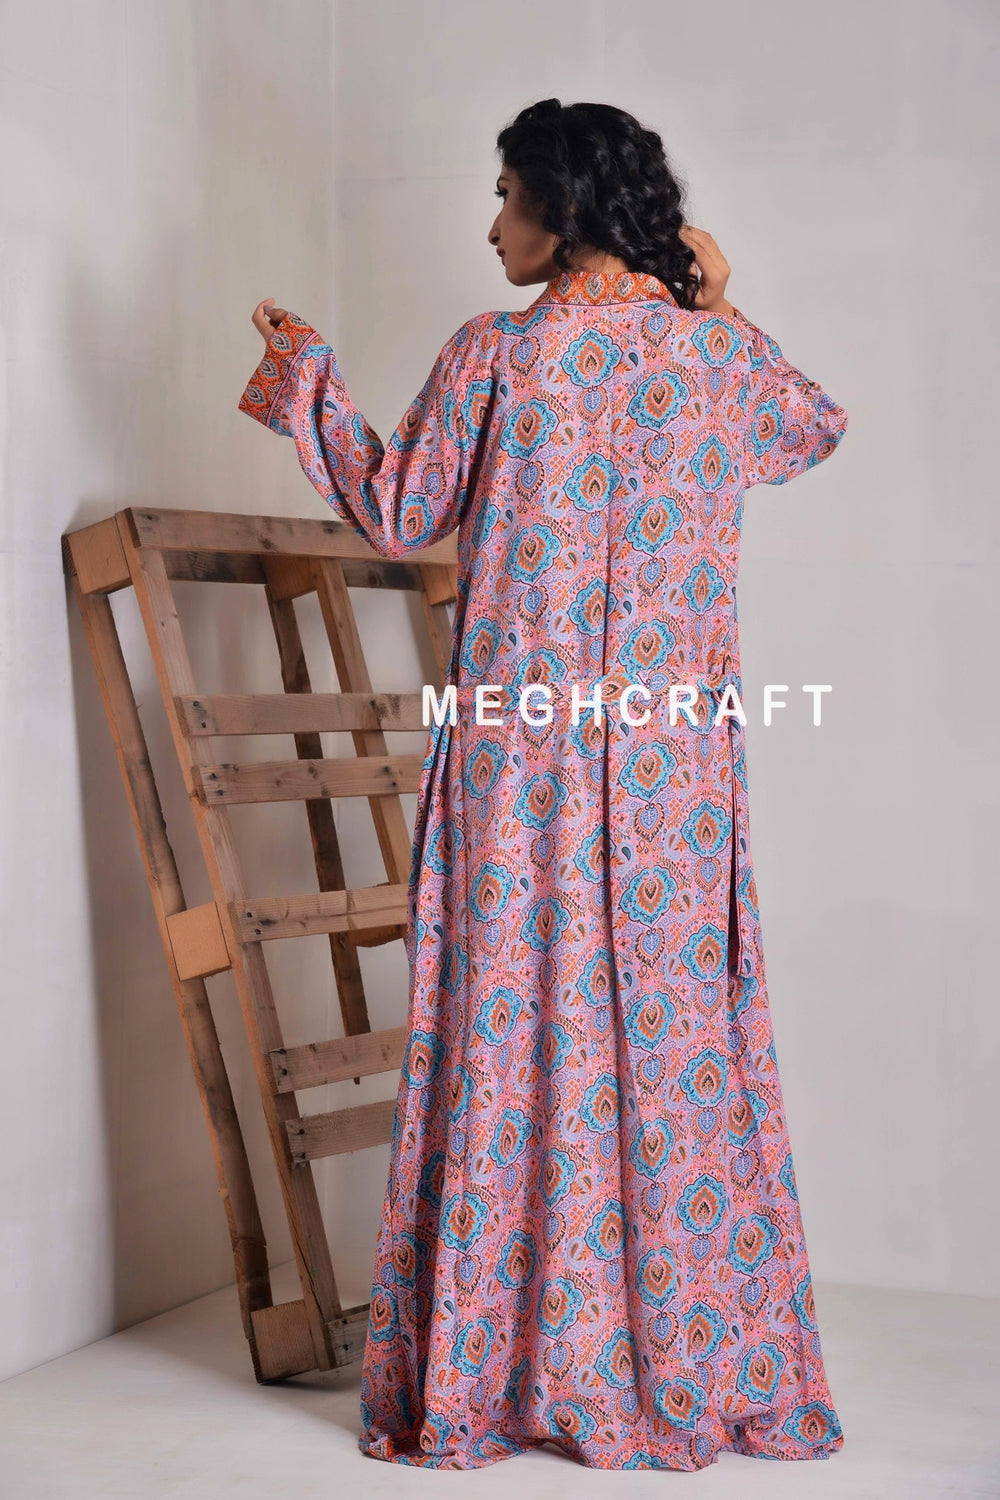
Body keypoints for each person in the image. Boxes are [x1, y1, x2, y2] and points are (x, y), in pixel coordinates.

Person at [238, 97, 848, 1472]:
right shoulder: (714, 361)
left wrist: (306, 379)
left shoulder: (500, 356)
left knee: (517, 1041)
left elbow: (398, 509)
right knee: (676, 1047)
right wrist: (716, 302)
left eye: (507, 197)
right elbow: (811, 427)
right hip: (673, 776)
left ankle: (511, 1370)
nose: (492, 228)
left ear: (561, 209)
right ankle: (685, 1360)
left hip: (524, 768)